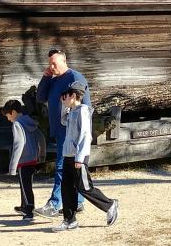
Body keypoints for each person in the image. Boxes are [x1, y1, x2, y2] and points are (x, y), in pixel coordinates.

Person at [52, 81, 119, 232]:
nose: (64, 99)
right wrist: (64, 105)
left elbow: (85, 135)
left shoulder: (82, 111)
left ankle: (110, 205)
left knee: (84, 187)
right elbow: (63, 122)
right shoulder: (72, 111)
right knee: (67, 188)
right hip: (69, 155)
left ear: (74, 95)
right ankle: (70, 220)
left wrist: (80, 158)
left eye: (66, 96)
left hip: (78, 157)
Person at [36, 49, 91, 217]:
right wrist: (45, 78)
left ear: (64, 61)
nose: (52, 67)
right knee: (70, 167)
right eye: (50, 64)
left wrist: (80, 133)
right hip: (59, 130)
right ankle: (79, 201)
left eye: (55, 63)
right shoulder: (53, 79)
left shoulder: (75, 78)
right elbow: (40, 97)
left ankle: (54, 204)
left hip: (70, 132)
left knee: (61, 166)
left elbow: (86, 107)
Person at [2, 99, 44, 220]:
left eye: (8, 115)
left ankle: (29, 210)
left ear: (13, 112)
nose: (8, 119)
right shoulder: (29, 121)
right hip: (33, 158)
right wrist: (42, 155)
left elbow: (18, 145)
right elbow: (41, 138)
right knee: (26, 184)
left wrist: (12, 166)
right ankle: (24, 205)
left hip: (24, 160)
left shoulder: (17, 124)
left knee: (25, 186)